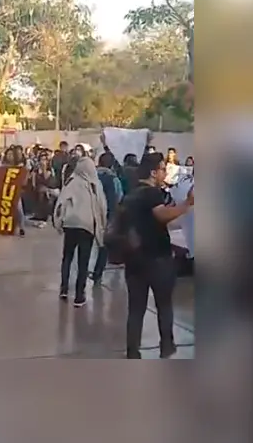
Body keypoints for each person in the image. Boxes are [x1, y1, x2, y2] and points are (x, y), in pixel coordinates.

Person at [123, 152, 193, 359]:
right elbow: (161, 215)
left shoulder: (131, 194)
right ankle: (167, 345)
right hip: (156, 259)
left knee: (136, 309)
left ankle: (132, 350)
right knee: (164, 305)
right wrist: (186, 204)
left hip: (133, 259)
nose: (165, 172)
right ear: (153, 173)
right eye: (163, 169)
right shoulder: (152, 193)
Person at [54, 157, 107, 307]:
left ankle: (64, 289)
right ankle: (79, 296)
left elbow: (61, 202)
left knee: (67, 257)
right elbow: (102, 206)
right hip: (87, 226)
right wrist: (102, 226)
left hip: (70, 224)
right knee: (83, 262)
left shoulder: (71, 182)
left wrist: (58, 222)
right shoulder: (95, 184)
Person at [91, 151, 124, 284]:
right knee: (103, 246)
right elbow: (119, 196)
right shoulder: (113, 178)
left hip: (90, 213)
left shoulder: (91, 176)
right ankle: (97, 273)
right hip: (107, 215)